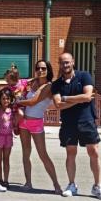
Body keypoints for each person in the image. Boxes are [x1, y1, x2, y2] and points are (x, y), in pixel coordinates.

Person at [51, 53, 101, 200]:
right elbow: (58, 105)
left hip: (86, 120)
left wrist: (66, 99)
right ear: (59, 64)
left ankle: (98, 186)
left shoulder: (84, 76)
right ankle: (71, 185)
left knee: (94, 152)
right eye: (62, 63)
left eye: (67, 62)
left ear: (73, 62)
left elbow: (88, 95)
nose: (65, 65)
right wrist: (80, 99)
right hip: (68, 122)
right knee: (71, 153)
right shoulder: (56, 84)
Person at [15, 60, 62, 194]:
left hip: (36, 123)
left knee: (43, 155)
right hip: (24, 122)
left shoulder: (48, 86)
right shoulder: (33, 83)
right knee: (25, 153)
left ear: (48, 70)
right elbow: (21, 87)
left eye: (43, 68)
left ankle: (56, 185)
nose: (40, 70)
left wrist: (17, 102)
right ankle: (28, 182)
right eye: (38, 68)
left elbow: (32, 102)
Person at [0, 89, 15, 191]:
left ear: (10, 99)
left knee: (6, 159)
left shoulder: (13, 110)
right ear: (0, 100)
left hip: (9, 137)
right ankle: (0, 179)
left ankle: (6, 180)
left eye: (7, 98)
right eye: (3, 99)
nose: (5, 100)